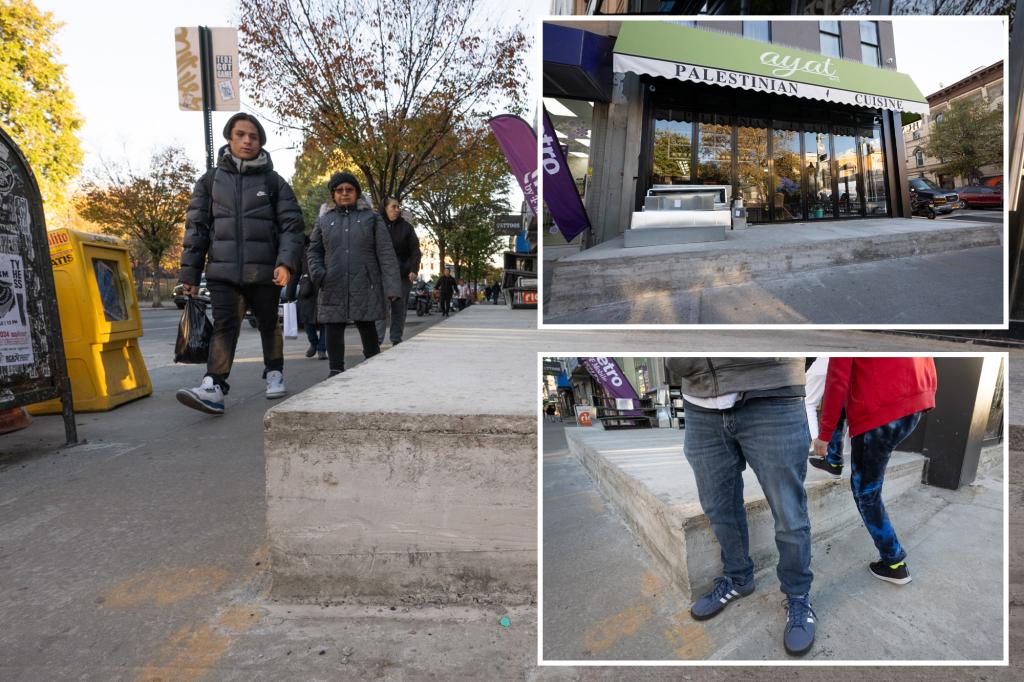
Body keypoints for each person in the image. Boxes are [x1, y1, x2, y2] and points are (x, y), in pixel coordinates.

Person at [665, 357, 816, 656]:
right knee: (719, 509)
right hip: (698, 404)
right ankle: (738, 578)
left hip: (771, 394)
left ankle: (798, 596)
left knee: (789, 514)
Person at [176, 112, 304, 415]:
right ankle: (214, 386)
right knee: (225, 328)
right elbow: (196, 230)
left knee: (268, 325)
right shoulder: (209, 182)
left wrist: (285, 263)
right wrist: (189, 274)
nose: (247, 140)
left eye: (253, 136)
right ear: (229, 139)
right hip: (223, 272)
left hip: (264, 271)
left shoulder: (274, 183)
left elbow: (292, 226)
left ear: (260, 142)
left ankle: (274, 371)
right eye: (241, 135)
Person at [814, 357, 937, 586]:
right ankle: (833, 458)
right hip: (914, 402)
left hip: (880, 413)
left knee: (866, 492)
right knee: (868, 485)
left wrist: (825, 434)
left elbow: (837, 381)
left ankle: (894, 562)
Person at [307, 172, 401, 377]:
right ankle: (335, 369)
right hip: (332, 281)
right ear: (333, 195)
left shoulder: (372, 219)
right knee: (333, 327)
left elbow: (385, 253)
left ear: (357, 193)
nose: (344, 194)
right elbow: (314, 250)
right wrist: (318, 272)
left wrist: (392, 287)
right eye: (339, 191)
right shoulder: (324, 221)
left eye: (349, 190)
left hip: (366, 283)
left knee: (367, 325)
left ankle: (373, 366)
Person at [375, 197, 421, 346]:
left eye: (398, 207)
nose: (397, 209)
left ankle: (396, 338)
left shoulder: (407, 228)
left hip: (402, 274)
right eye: (393, 207)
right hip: (381, 274)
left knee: (399, 309)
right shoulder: (376, 225)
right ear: (385, 208)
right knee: (381, 308)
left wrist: (414, 269)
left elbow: (415, 251)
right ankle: (376, 340)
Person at [804, 357, 849, 477]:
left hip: (818, 363)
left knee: (808, 403)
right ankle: (835, 461)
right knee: (838, 406)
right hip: (838, 364)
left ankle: (816, 447)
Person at [296, 238, 326, 360]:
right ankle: (314, 343)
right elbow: (296, 272)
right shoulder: (304, 252)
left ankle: (322, 349)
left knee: (326, 321)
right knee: (307, 320)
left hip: (324, 287)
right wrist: (289, 293)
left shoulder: (329, 250)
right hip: (306, 290)